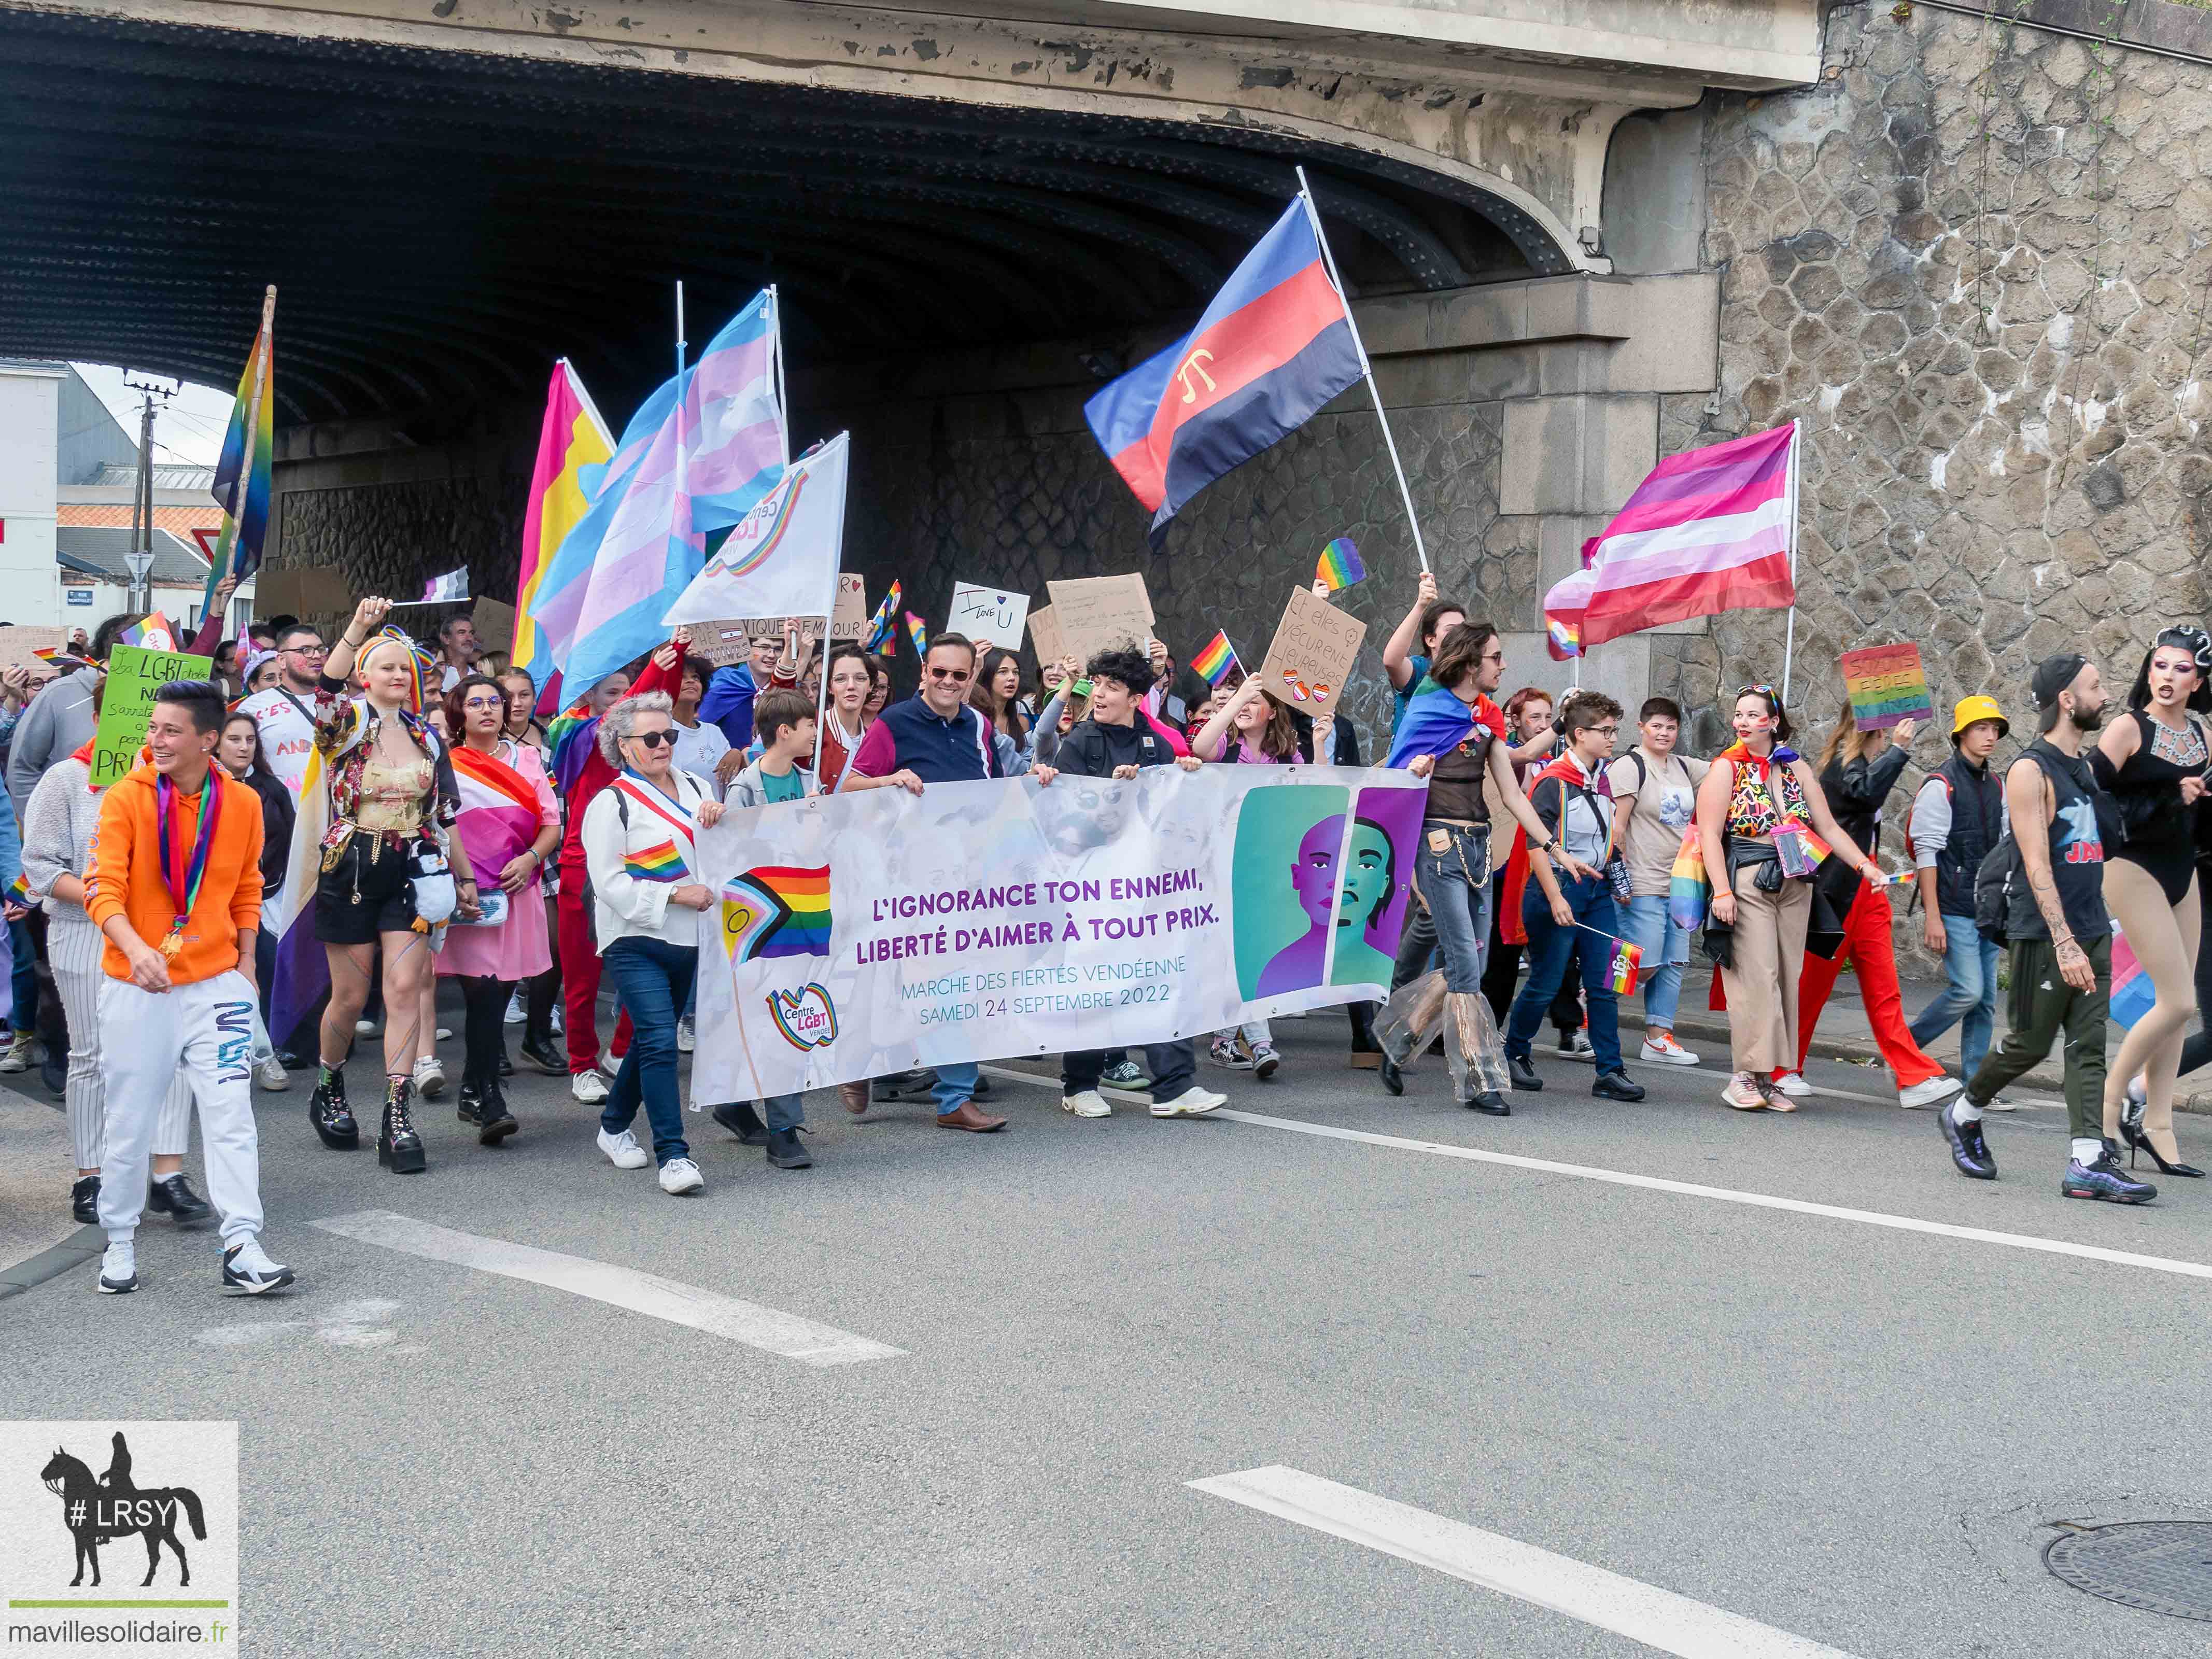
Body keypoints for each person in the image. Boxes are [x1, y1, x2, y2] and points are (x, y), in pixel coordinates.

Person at [85, 679, 293, 1296]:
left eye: (170, 730)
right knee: (131, 1119)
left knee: (232, 1115)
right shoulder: (125, 797)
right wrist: (135, 947)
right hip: (137, 986)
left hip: (218, 985)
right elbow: (102, 889)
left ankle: (242, 1243)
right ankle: (119, 1241)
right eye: (153, 728)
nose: (156, 740)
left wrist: (248, 963)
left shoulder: (244, 803)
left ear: (209, 740)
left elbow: (248, 888)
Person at [1938, 655, 2156, 1202]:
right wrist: (2062, 941)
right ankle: (1964, 1112)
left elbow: (2099, 846)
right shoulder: (2030, 771)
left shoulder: (2081, 766)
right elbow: (2036, 863)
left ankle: (2086, 1161)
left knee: (2088, 1045)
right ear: (2065, 699)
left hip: (2090, 924)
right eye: (2093, 686)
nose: (2104, 694)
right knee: (2029, 1044)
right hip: (2044, 931)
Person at [844, 634, 1055, 1130]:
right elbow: (848, 787)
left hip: (971, 878)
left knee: (952, 984)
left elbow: (999, 793)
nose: (948, 683)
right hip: (911, 881)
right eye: (939, 672)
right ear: (924, 672)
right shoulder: (894, 723)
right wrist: (889, 780)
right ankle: (948, 1094)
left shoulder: (980, 726)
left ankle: (878, 1053)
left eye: (959, 676)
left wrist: (1037, 779)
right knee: (936, 984)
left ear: (969, 679)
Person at [1385, 624, 1599, 1112]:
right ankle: (1480, 1079)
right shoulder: (1428, 708)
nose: (1503, 665)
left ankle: (1397, 1036)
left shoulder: (1485, 717)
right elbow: (1393, 778)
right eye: (1496, 657)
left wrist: (1554, 848)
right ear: (1469, 665)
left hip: (1480, 847)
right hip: (1437, 847)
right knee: (1464, 964)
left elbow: (1511, 794)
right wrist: (1412, 771)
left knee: (1473, 964)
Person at [304, 602, 481, 1173]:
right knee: (351, 999)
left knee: (405, 988)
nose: (398, 676)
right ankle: (330, 1082)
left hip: (413, 865)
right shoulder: (344, 724)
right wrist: (356, 629)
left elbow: (446, 815)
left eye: (405, 668)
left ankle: (396, 1114)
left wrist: (465, 876)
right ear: (365, 675)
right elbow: (324, 687)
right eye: (385, 667)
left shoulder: (430, 737)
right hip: (352, 866)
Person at [23, 713, 207, 1229]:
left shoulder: (179, 781)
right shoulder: (67, 778)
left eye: (167, 723)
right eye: (141, 717)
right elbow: (40, 865)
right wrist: (107, 900)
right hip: (83, 929)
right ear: (104, 716)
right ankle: (93, 1174)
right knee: (93, 1052)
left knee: (171, 1047)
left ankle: (167, 1173)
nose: (155, 732)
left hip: (162, 932)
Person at [1050, 647, 1223, 1120]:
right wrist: (1113, 790)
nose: (1098, 694)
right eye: (1096, 685)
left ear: (1134, 698)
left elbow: (1169, 813)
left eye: (1110, 687)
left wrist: (1183, 778)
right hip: (1093, 887)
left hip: (1146, 888)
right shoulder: (1079, 742)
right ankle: (1079, 1084)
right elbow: (1067, 819)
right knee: (1095, 982)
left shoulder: (1158, 744)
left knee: (1162, 976)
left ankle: (1174, 1087)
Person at [1695, 685, 1884, 1113]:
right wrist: (1721, 891)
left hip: (1796, 880)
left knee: (1784, 979)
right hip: (1749, 878)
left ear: (1773, 722)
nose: (1742, 722)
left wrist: (1864, 866)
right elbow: (1708, 834)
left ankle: (1768, 1077)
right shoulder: (1726, 767)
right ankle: (1742, 1075)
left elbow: (1829, 828)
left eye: (1752, 715)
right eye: (1738, 715)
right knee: (1754, 977)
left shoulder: (1794, 765)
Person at [580, 691, 725, 1193]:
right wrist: (674, 894)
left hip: (690, 939)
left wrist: (716, 819)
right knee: (662, 1041)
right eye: (652, 737)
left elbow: (715, 857)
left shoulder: (695, 786)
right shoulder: (610, 802)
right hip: (635, 940)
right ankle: (674, 1155)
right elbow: (609, 883)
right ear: (623, 745)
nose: (664, 743)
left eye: (670, 735)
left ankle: (614, 1125)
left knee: (650, 1039)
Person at [1787, 703, 1958, 1107]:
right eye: (1884, 733)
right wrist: (1898, 752)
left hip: (1867, 889)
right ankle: (1781, 1068)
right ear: (1875, 733)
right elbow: (1864, 794)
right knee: (1811, 987)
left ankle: (1911, 1076)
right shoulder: (1838, 768)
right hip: (1838, 893)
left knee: (1884, 990)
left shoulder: (1850, 763)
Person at [2090, 626, 2210, 1175]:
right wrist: (2167, 794)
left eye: (2180, 668)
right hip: (2130, 866)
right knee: (2179, 1001)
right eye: (2159, 665)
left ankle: (2158, 1126)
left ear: (2199, 680)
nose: (2166, 676)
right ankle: (2110, 1102)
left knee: (2175, 1012)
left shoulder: (2204, 735)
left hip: (2182, 872)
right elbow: (2088, 795)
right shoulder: (2127, 726)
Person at [550, 643, 685, 1102]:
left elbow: (654, 714)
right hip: (583, 868)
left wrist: (678, 650)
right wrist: (652, 671)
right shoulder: (574, 734)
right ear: (591, 698)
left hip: (646, 865)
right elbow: (616, 725)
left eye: (629, 692)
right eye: (613, 695)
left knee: (653, 962)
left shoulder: (655, 755)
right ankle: (582, 1064)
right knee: (583, 975)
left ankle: (621, 1050)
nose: (625, 701)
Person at [1504, 692, 1647, 1105]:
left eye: (1614, 730)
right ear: (1579, 734)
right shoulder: (1552, 781)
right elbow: (1535, 845)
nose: (1612, 738)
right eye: (1605, 731)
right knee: (1547, 981)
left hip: (1597, 889)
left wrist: (1618, 881)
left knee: (1604, 985)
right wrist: (1555, 899)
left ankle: (1610, 1070)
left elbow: (1608, 840)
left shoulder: (1603, 779)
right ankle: (1515, 1051)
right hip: (1557, 890)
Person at [440, 673, 560, 1145]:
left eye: (495, 701)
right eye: (476, 703)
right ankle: (489, 1095)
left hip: (519, 886)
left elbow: (551, 823)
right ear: (460, 713)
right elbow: (439, 824)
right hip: (471, 894)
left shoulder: (529, 759)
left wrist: (531, 858)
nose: (488, 709)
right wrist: (461, 875)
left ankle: (474, 1087)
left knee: (500, 988)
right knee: (483, 995)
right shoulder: (446, 764)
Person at [712, 687, 820, 1170]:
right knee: (777, 1021)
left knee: (778, 1019)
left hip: (802, 915)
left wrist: (821, 817)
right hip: (760, 920)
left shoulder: (810, 781)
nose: (815, 733)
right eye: (809, 725)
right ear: (785, 732)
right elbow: (736, 855)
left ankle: (733, 1099)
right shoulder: (745, 789)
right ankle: (783, 1130)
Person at [1906, 696, 2011, 1090]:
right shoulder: (1941, 784)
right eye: (1980, 728)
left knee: (1984, 1000)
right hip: (1952, 907)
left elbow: (2004, 847)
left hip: (1987, 909)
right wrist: (1933, 916)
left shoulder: (1997, 784)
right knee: (1968, 991)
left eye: (1994, 729)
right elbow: (1926, 853)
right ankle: (1905, 1047)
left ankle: (1976, 1086)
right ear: (1961, 734)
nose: (1989, 737)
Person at [1605, 698, 1708, 1066]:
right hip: (1642, 880)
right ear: (1641, 727)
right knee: (1641, 962)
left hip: (1681, 881)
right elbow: (1617, 828)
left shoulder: (1682, 766)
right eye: (1657, 726)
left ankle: (1658, 1036)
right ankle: (1588, 1008)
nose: (1664, 733)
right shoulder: (1629, 766)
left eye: (1671, 727)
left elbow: (1726, 770)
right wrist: (1619, 879)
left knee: (1674, 962)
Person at [216, 711, 295, 1090]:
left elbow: (293, 842)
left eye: (250, 739)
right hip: (211, 903)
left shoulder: (272, 788)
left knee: (259, 973)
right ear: (214, 742)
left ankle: (266, 1055)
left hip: (265, 899)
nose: (244, 747)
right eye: (235, 739)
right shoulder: (198, 788)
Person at [235, 620, 328, 795]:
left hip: (336, 817)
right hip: (280, 817)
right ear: (282, 661)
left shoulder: (344, 703)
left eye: (321, 649)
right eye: (305, 651)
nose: (316, 656)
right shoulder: (253, 708)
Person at [1380, 570, 1467, 730]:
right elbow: (1391, 661)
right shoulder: (1420, 670)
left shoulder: (1473, 679)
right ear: (1431, 640)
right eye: (1451, 629)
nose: (1459, 634)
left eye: (1463, 629)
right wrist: (1421, 605)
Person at [698, 629, 798, 749]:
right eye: (764, 647)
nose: (772, 655)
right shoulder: (725, 683)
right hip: (725, 763)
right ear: (746, 649)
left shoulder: (782, 689)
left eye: (778, 649)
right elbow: (701, 727)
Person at [670, 658, 735, 799]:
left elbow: (730, 778)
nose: (691, 681)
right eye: (682, 677)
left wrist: (737, 754)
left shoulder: (714, 732)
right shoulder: (663, 731)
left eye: (696, 677)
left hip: (718, 817)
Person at [818, 644, 873, 794]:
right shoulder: (814, 728)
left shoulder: (875, 738)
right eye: (841, 679)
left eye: (860, 678)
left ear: (871, 686)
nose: (851, 686)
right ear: (830, 687)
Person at [434, 613, 478, 692]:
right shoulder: (436, 674)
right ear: (446, 638)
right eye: (462, 633)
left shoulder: (478, 678)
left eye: (471, 633)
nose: (469, 638)